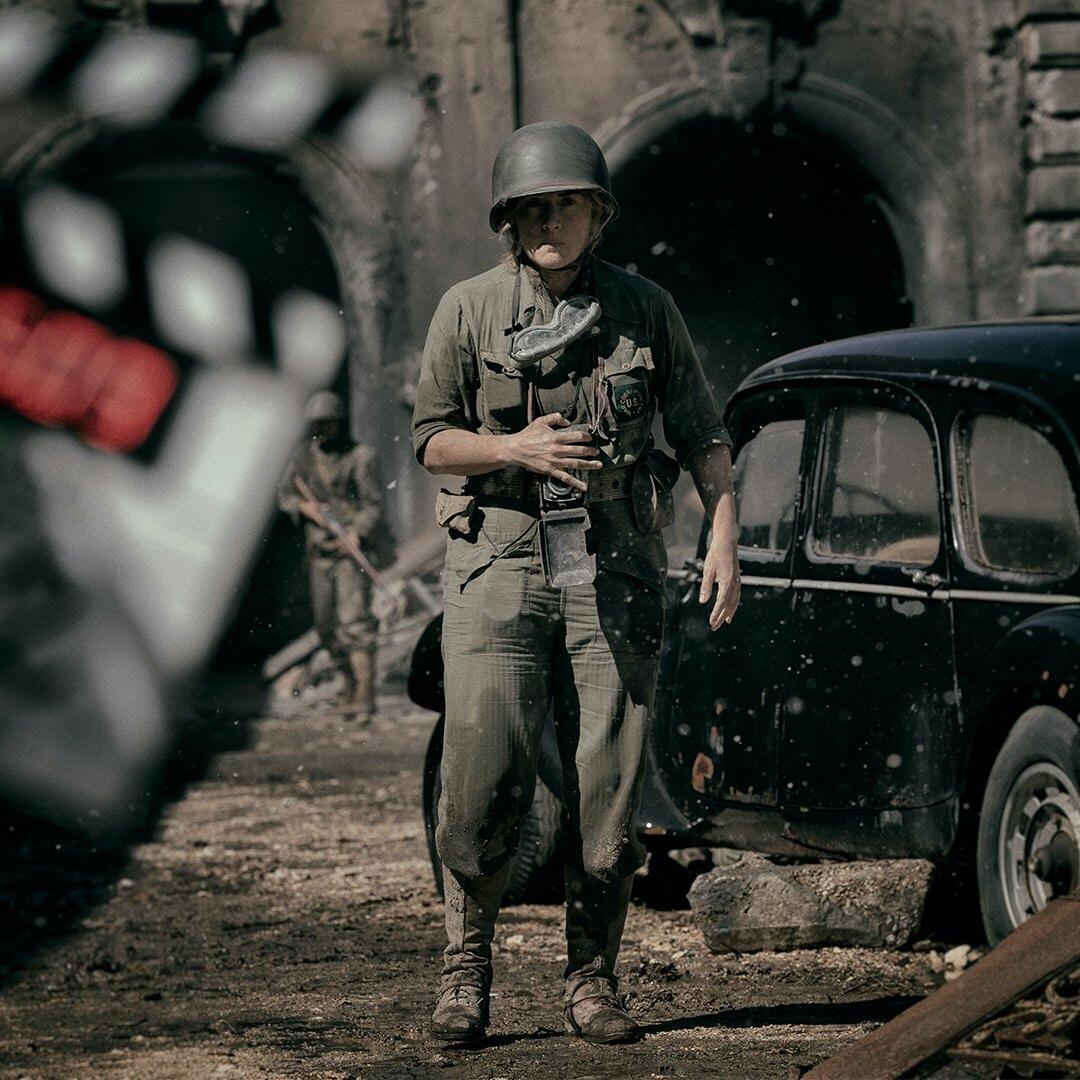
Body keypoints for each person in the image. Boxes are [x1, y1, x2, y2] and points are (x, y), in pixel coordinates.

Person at [412, 120, 740, 1045]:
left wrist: (725, 534)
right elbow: (431, 436)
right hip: (500, 563)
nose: (549, 221)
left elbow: (702, 433)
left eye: (567, 203)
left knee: (609, 786)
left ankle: (593, 980)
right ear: (508, 220)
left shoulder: (646, 311)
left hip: (618, 562)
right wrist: (514, 446)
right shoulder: (469, 310)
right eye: (531, 207)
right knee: (481, 782)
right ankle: (465, 971)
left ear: (599, 213)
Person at [277, 390, 393, 721]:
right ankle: (348, 686)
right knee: (326, 626)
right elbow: (284, 495)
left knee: (355, 623)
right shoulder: (304, 458)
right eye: (316, 426)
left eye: (327, 425)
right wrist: (305, 507)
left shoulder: (362, 457)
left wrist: (357, 531)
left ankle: (365, 695)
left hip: (350, 553)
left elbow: (374, 504)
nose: (321, 432)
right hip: (320, 552)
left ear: (340, 424)